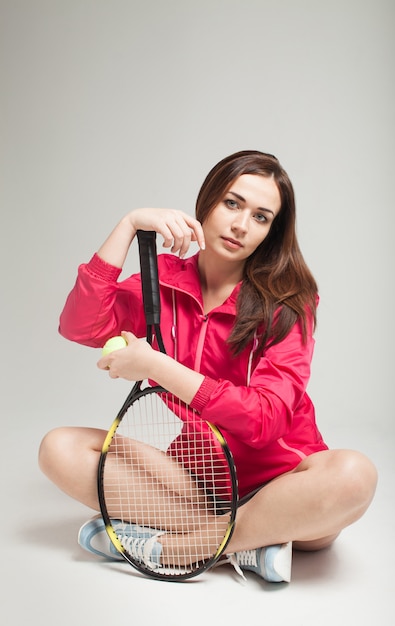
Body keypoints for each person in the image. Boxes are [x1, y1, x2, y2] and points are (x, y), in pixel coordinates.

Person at [39, 150, 377, 583]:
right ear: (208, 201)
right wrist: (127, 225)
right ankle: (249, 544)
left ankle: (176, 547)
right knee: (59, 448)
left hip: (290, 486)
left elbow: (265, 421)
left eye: (260, 217)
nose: (240, 225)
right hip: (200, 480)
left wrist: (156, 366)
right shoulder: (161, 280)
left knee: (354, 475)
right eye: (232, 204)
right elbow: (80, 325)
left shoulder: (289, 302)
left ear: (271, 232)